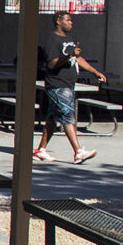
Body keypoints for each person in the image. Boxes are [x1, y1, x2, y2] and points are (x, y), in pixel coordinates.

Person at [32, 10, 102, 166]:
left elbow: (78, 58)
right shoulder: (53, 39)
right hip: (57, 85)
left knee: (52, 118)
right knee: (68, 115)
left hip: (67, 85)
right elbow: (51, 63)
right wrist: (69, 56)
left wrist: (95, 72)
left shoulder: (68, 39)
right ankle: (78, 152)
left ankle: (40, 151)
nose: (71, 22)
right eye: (68, 20)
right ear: (59, 21)